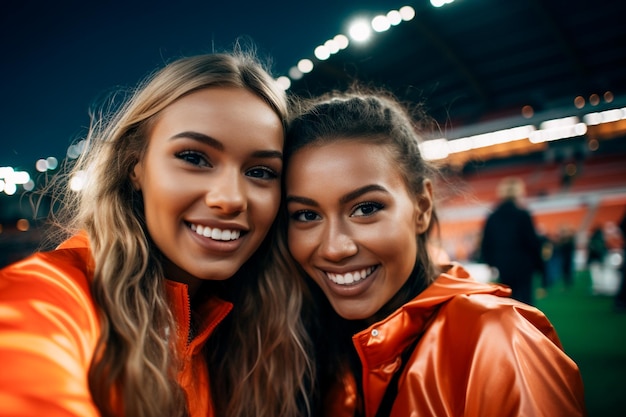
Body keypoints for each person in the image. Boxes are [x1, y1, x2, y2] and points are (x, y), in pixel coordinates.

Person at [0, 51, 312, 417]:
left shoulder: (253, 330)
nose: (229, 199)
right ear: (135, 165)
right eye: (194, 158)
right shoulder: (47, 298)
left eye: (260, 172)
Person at [281, 87, 586, 416]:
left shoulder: (499, 341)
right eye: (306, 215)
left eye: (366, 208)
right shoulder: (303, 349)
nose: (335, 248)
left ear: (422, 207)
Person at [480, 176, 544, 305]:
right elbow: (532, 243)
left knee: (508, 302)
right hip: (524, 266)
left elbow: (486, 243)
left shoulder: (492, 217)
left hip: (502, 266)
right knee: (525, 303)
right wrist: (539, 265)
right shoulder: (523, 215)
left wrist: (491, 263)